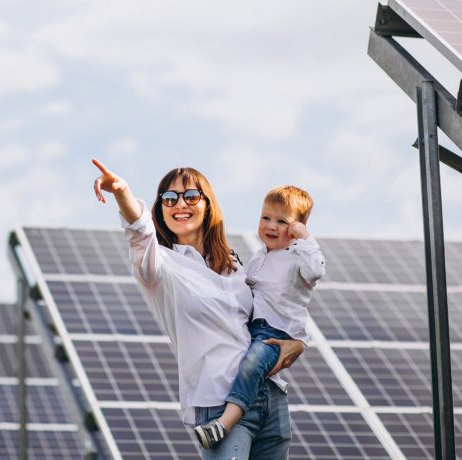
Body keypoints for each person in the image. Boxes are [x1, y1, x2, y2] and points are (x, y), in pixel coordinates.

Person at [92, 159, 304, 459]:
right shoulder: (160, 267)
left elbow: (271, 316)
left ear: (207, 205)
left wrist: (296, 343)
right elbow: (139, 233)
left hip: (269, 395)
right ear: (161, 209)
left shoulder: (235, 266)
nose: (180, 204)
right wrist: (122, 192)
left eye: (191, 196)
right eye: (169, 198)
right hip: (218, 400)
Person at [193, 185, 325, 449]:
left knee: (251, 366)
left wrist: (305, 239)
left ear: (297, 228)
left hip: (278, 334)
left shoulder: (298, 256)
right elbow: (246, 287)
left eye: (281, 221)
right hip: (256, 329)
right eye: (266, 218)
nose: (271, 226)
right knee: (245, 364)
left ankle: (224, 424)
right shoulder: (259, 256)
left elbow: (315, 272)